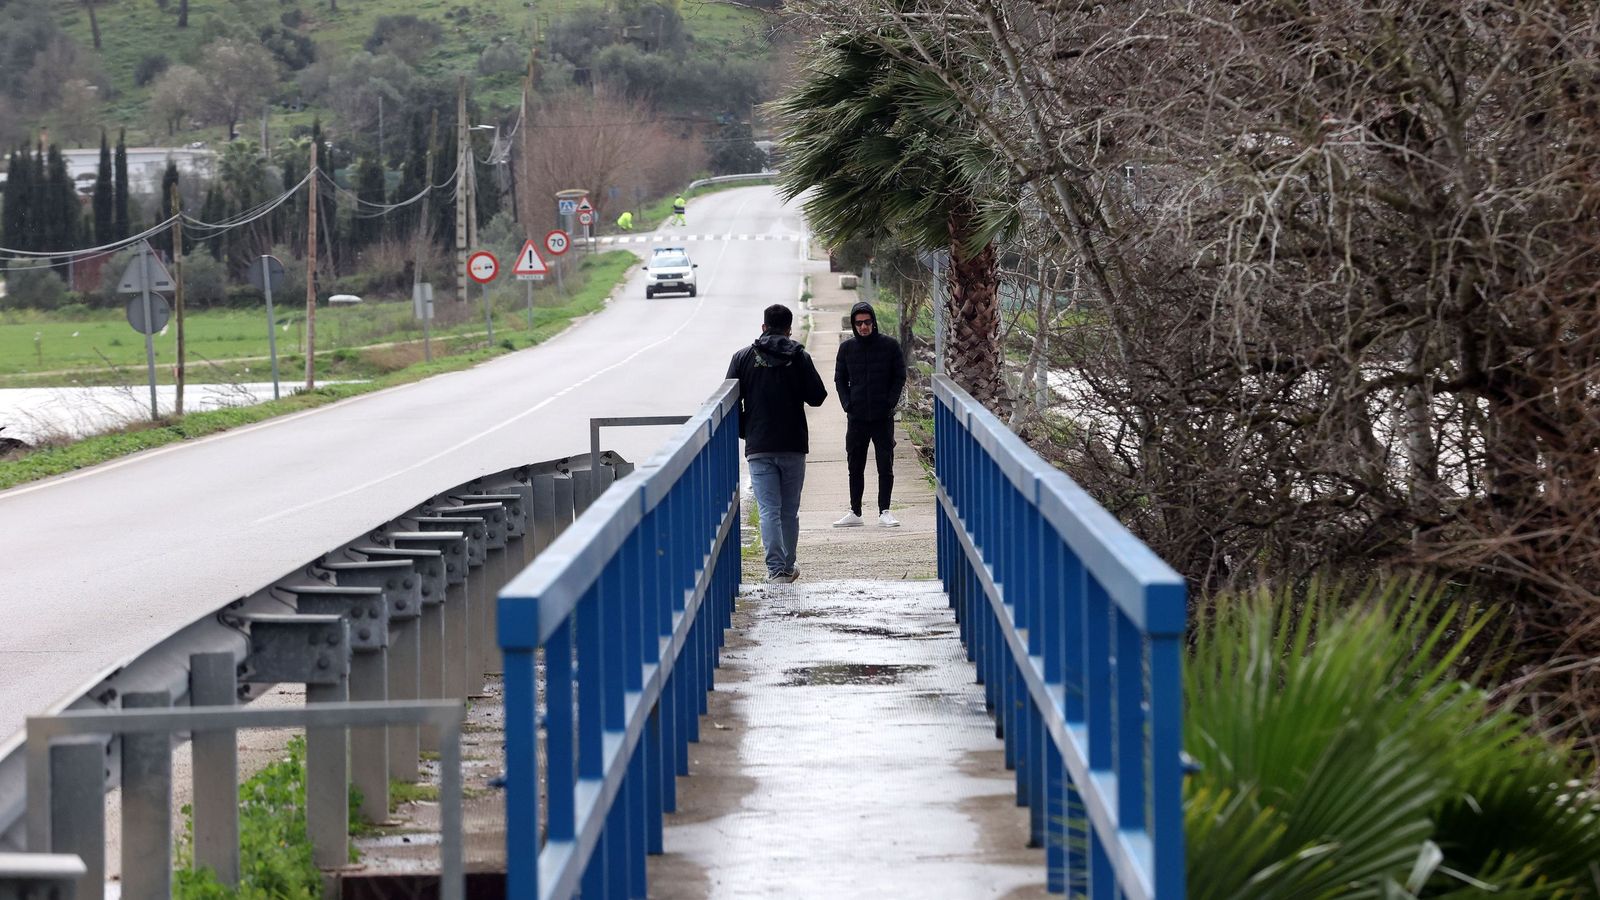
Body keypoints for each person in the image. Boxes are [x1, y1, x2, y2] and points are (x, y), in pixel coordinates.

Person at [727, 304, 828, 583]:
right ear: (789, 329)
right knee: (788, 510)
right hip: (793, 444)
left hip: (759, 446)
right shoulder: (799, 356)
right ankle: (787, 564)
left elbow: (728, 403)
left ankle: (776, 570)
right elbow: (817, 397)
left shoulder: (742, 357)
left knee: (768, 510)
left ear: (763, 328)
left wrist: (745, 430)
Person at [833, 300, 907, 528]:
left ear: (873, 322)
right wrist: (848, 404)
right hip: (856, 418)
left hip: (882, 417)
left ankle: (884, 509)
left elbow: (899, 376)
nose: (863, 327)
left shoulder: (890, 346)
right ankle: (855, 511)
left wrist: (889, 402)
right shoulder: (846, 349)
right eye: (858, 323)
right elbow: (839, 379)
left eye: (867, 322)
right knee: (855, 465)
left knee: (885, 465)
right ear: (854, 325)